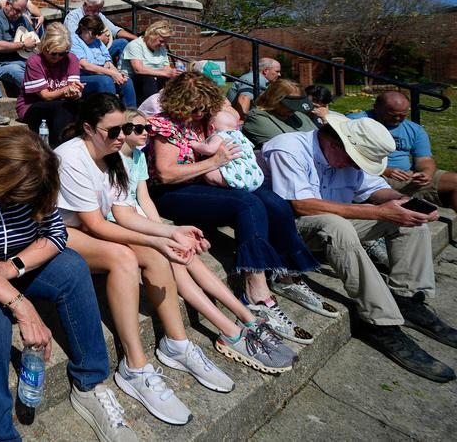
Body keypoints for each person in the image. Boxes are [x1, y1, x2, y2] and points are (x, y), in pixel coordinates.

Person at [0, 127, 137, 442]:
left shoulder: (38, 169)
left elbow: (56, 234)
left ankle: (90, 384)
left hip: (5, 260)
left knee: (72, 267)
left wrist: (12, 268)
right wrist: (21, 305)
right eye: (14, 199)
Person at [55, 95, 234, 426]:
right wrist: (161, 240)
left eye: (124, 128)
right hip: (60, 231)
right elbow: (94, 224)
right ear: (88, 129)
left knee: (153, 253)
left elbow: (123, 213)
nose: (121, 136)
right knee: (123, 257)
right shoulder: (71, 158)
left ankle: (177, 345)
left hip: (89, 226)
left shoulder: (114, 157)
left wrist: (171, 232)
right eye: (112, 130)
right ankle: (134, 367)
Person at [263, 116, 457, 383]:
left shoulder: (345, 153)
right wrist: (376, 211)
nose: (355, 167)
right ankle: (380, 323)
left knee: (410, 220)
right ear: (335, 143)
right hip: (286, 232)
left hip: (327, 226)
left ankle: (406, 298)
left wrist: (404, 203)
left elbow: (377, 191)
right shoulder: (289, 148)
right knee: (337, 226)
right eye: (355, 160)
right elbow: (300, 205)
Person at [118, 110, 298, 375]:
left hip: (143, 221)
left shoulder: (137, 157)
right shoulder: (113, 161)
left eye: (146, 127)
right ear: (119, 130)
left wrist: (169, 230)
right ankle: (230, 332)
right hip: (125, 225)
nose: (145, 133)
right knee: (178, 264)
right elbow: (121, 213)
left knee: (190, 257)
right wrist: (163, 236)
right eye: (135, 128)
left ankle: (248, 319)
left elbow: (144, 200)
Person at [147, 72, 320, 345]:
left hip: (211, 182)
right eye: (195, 107)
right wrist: (214, 161)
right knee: (247, 204)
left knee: (273, 202)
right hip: (172, 191)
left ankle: (287, 273)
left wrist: (221, 111)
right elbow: (166, 173)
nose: (201, 112)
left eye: (206, 106)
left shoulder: (209, 117)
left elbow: (231, 113)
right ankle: (256, 292)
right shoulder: (166, 124)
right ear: (180, 103)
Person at [348, 90, 457, 211]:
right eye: (392, 114)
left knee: (455, 180)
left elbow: (425, 159)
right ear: (376, 108)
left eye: (403, 114)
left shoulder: (414, 129)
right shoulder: (355, 123)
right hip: (371, 176)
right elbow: (346, 158)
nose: (398, 118)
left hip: (406, 177)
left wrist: (427, 173)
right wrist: (385, 171)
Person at [17, 23, 83, 146]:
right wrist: (65, 91)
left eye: (62, 53)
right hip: (32, 105)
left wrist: (75, 92)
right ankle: (62, 147)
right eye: (54, 53)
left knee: (83, 104)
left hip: (61, 102)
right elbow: (45, 96)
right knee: (62, 108)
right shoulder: (35, 61)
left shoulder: (71, 59)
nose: (58, 57)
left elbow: (72, 90)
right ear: (45, 47)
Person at [190, 109, 265, 191]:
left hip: (235, 176)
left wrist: (195, 144)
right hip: (256, 177)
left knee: (208, 174)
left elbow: (209, 150)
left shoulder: (219, 135)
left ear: (211, 128)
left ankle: (223, 186)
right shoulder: (241, 136)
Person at [71, 14, 137, 107]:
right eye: (93, 33)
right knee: (105, 81)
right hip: (82, 78)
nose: (95, 37)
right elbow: (84, 65)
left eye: (98, 34)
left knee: (126, 81)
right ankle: (111, 113)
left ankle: (131, 114)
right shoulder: (74, 41)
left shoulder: (98, 42)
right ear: (83, 28)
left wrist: (118, 75)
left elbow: (109, 63)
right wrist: (111, 73)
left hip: (101, 74)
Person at [240, 79, 318, 149]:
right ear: (275, 100)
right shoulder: (257, 117)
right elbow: (287, 146)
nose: (294, 109)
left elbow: (319, 137)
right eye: (291, 104)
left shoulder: (297, 114)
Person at [0, 0, 39, 89]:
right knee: (15, 69)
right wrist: (23, 44)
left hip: (21, 61)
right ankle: (37, 93)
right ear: (7, 4)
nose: (19, 14)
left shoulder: (23, 19)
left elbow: (35, 40)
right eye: (17, 10)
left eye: (22, 11)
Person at [63, 0, 137, 61]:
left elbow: (114, 29)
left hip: (99, 49)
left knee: (122, 43)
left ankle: (123, 71)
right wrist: (98, 40)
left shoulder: (98, 15)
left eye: (99, 10)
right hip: (83, 53)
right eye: (94, 10)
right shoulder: (73, 17)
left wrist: (136, 38)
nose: (96, 13)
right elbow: (74, 39)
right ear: (85, 4)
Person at [119, 20, 181, 101]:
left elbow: (166, 68)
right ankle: (152, 107)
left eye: (165, 42)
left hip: (153, 80)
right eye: (161, 41)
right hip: (131, 80)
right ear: (151, 36)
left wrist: (175, 73)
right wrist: (165, 73)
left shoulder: (161, 49)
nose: (163, 45)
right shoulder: (135, 45)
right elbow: (138, 69)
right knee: (147, 78)